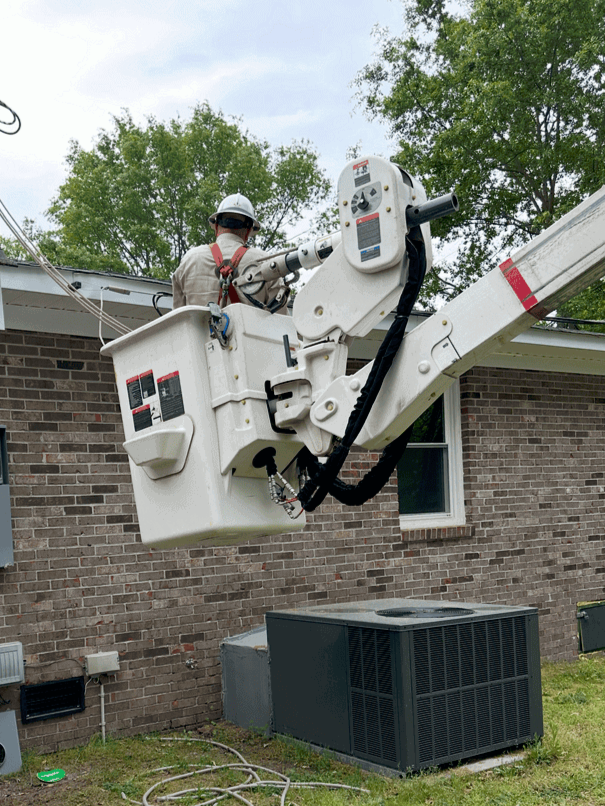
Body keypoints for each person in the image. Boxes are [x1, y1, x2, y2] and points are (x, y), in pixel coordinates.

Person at [172, 193, 288, 312]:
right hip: (248, 331)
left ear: (216, 226)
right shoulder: (266, 262)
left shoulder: (190, 259)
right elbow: (280, 321)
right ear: (248, 231)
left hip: (197, 331)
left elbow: (178, 319)